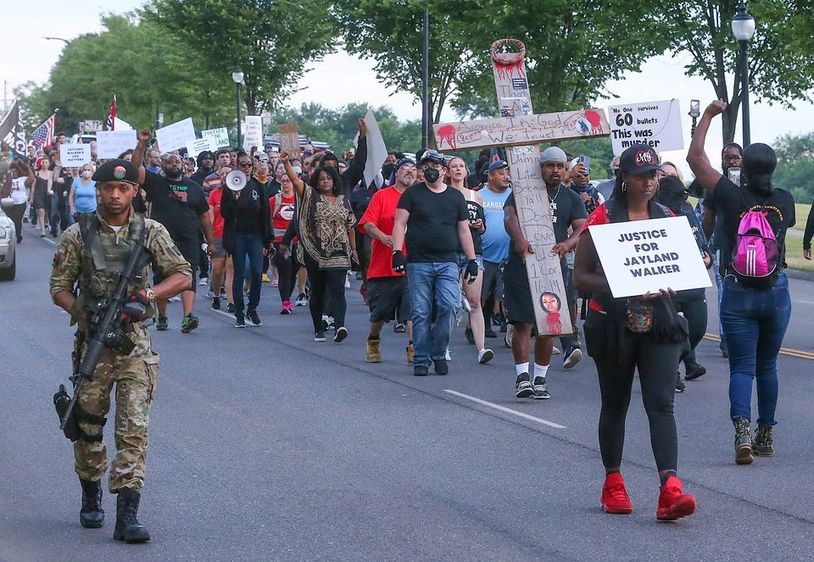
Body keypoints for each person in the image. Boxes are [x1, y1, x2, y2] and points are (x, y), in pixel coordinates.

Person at [49, 158, 192, 543]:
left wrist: (148, 294)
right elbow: (59, 286)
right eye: (108, 189)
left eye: (123, 189)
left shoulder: (150, 231)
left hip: (134, 345)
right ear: (97, 190)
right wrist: (82, 313)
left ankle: (127, 513)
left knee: (134, 428)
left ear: (134, 192)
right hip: (93, 345)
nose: (115, 195)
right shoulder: (77, 234)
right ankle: (90, 491)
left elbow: (182, 274)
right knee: (88, 426)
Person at [574, 143, 696, 521]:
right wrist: (622, 285)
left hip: (658, 321)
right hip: (612, 323)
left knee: (661, 403)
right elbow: (580, 278)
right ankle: (613, 483)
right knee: (616, 403)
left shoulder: (668, 218)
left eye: (654, 174)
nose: (649, 182)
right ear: (623, 179)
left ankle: (670, 489)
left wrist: (676, 285)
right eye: (641, 175)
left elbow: (689, 280)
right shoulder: (603, 219)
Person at [688, 100, 795, 465]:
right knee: (768, 366)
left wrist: (707, 116)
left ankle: (742, 433)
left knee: (742, 367)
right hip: (775, 290)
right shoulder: (785, 200)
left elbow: (695, 159)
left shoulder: (731, 195)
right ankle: (767, 434)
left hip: (737, 291)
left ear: (742, 168)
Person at [503, 146, 587, 400]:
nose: (555, 171)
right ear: (541, 167)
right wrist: (518, 239)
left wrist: (568, 244)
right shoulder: (523, 191)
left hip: (552, 268)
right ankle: (522, 377)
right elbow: (509, 217)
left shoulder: (571, 197)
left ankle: (540, 378)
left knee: (549, 325)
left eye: (560, 166)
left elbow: (582, 227)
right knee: (523, 322)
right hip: (522, 265)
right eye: (550, 166)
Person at [390, 150, 479, 376]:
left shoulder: (455, 197)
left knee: (449, 306)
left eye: (435, 165)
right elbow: (400, 224)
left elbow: (463, 229)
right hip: (418, 262)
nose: (430, 169)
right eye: (426, 165)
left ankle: (439, 352)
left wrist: (471, 259)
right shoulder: (412, 195)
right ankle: (421, 358)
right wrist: (397, 252)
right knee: (420, 311)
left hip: (448, 262)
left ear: (444, 170)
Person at [132, 131, 215, 334]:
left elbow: (205, 216)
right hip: (162, 240)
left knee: (189, 276)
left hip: (190, 239)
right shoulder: (156, 183)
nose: (174, 164)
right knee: (162, 277)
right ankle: (162, 315)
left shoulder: (194, 188)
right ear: (162, 166)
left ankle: (188, 317)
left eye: (177, 161)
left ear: (183, 164)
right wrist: (142, 144)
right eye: (169, 162)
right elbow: (135, 169)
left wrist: (210, 241)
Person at [280, 151, 357, 342]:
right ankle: (318, 329)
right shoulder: (310, 196)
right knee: (318, 290)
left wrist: (354, 250)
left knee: (338, 290)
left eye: (329, 178)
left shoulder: (343, 200)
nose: (325, 182)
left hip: (339, 252)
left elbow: (351, 226)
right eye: (322, 178)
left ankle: (339, 325)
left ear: (334, 180)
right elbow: (297, 182)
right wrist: (286, 162)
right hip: (315, 252)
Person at [358, 157, 416, 364]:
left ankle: (413, 348)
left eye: (413, 168)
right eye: (405, 168)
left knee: (412, 311)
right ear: (396, 173)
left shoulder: (420, 196)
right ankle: (373, 339)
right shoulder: (382, 196)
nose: (409, 171)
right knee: (380, 313)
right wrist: (385, 238)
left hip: (413, 266)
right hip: (384, 266)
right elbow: (366, 224)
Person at [656, 175, 711, 390]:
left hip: (694, 283)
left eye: (681, 199)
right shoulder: (655, 215)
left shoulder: (687, 211)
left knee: (697, 329)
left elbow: (702, 240)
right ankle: (669, 373)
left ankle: (671, 365)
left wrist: (708, 258)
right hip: (669, 286)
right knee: (671, 334)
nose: (677, 204)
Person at [697, 142, 744, 358]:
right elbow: (708, 217)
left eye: (736, 157)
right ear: (722, 161)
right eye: (728, 158)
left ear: (743, 160)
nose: (732, 161)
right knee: (725, 292)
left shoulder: (750, 184)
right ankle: (726, 338)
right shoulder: (715, 185)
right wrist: (704, 245)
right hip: (722, 247)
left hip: (748, 248)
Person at [447, 156, 493, 364]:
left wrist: (479, 225)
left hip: (474, 251)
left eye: (461, 166)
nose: (458, 169)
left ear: (466, 171)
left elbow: (483, 226)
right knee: (448, 303)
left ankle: (481, 348)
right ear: (447, 172)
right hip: (449, 251)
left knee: (475, 301)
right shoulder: (443, 193)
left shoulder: (476, 195)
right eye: (453, 166)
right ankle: (443, 346)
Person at [220, 154, 271, 327]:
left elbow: (265, 213)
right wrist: (234, 199)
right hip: (238, 236)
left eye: (250, 164)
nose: (247, 167)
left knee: (257, 272)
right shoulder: (229, 187)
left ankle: (252, 307)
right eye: (243, 164)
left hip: (255, 235)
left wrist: (268, 239)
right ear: (237, 166)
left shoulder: (258, 186)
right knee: (239, 273)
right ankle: (239, 312)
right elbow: (225, 214)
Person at [479, 160, 513, 337]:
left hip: (508, 254)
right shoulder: (479, 195)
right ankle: (478, 327)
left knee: (505, 294)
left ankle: (509, 330)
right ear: (490, 175)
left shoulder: (513, 195)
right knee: (483, 294)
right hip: (485, 254)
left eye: (507, 172)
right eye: (501, 173)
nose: (505, 176)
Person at [269, 171, 298, 313]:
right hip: (279, 241)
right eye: (283, 181)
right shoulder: (274, 200)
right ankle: (285, 302)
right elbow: (267, 220)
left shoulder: (299, 200)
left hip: (297, 241)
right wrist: (267, 241)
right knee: (285, 270)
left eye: (288, 181)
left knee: (294, 271)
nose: (285, 183)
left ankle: (288, 297)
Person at [207, 165, 235, 312]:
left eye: (228, 173)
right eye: (222, 174)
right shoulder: (214, 194)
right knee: (217, 270)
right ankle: (216, 295)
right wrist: (209, 238)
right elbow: (210, 218)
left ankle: (231, 301)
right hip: (218, 235)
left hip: (234, 235)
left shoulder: (239, 192)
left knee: (231, 268)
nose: (225, 176)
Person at [7, 160, 34, 242]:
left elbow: (32, 178)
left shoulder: (23, 179)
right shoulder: (7, 180)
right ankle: (11, 236)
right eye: (12, 171)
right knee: (10, 220)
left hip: (20, 203)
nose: (13, 173)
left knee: (17, 219)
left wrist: (28, 168)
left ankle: (18, 236)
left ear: (18, 172)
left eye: (15, 171)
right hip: (8, 203)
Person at [30, 157, 52, 238]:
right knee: (41, 211)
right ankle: (42, 230)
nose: (44, 164)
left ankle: (47, 223)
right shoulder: (37, 173)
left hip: (48, 195)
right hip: (39, 194)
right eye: (43, 162)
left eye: (46, 162)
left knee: (46, 211)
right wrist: (32, 197)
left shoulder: (51, 173)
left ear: (49, 164)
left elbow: (52, 182)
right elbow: (33, 186)